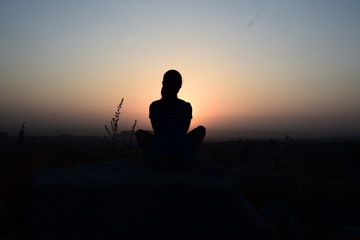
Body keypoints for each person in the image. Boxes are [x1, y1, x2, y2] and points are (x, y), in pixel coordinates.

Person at [136, 70, 206, 170]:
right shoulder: (186, 107)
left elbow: (157, 133)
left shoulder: (154, 106)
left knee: (139, 133)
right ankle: (189, 152)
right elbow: (183, 132)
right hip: (185, 161)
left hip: (158, 160)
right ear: (180, 86)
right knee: (201, 130)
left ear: (163, 83)